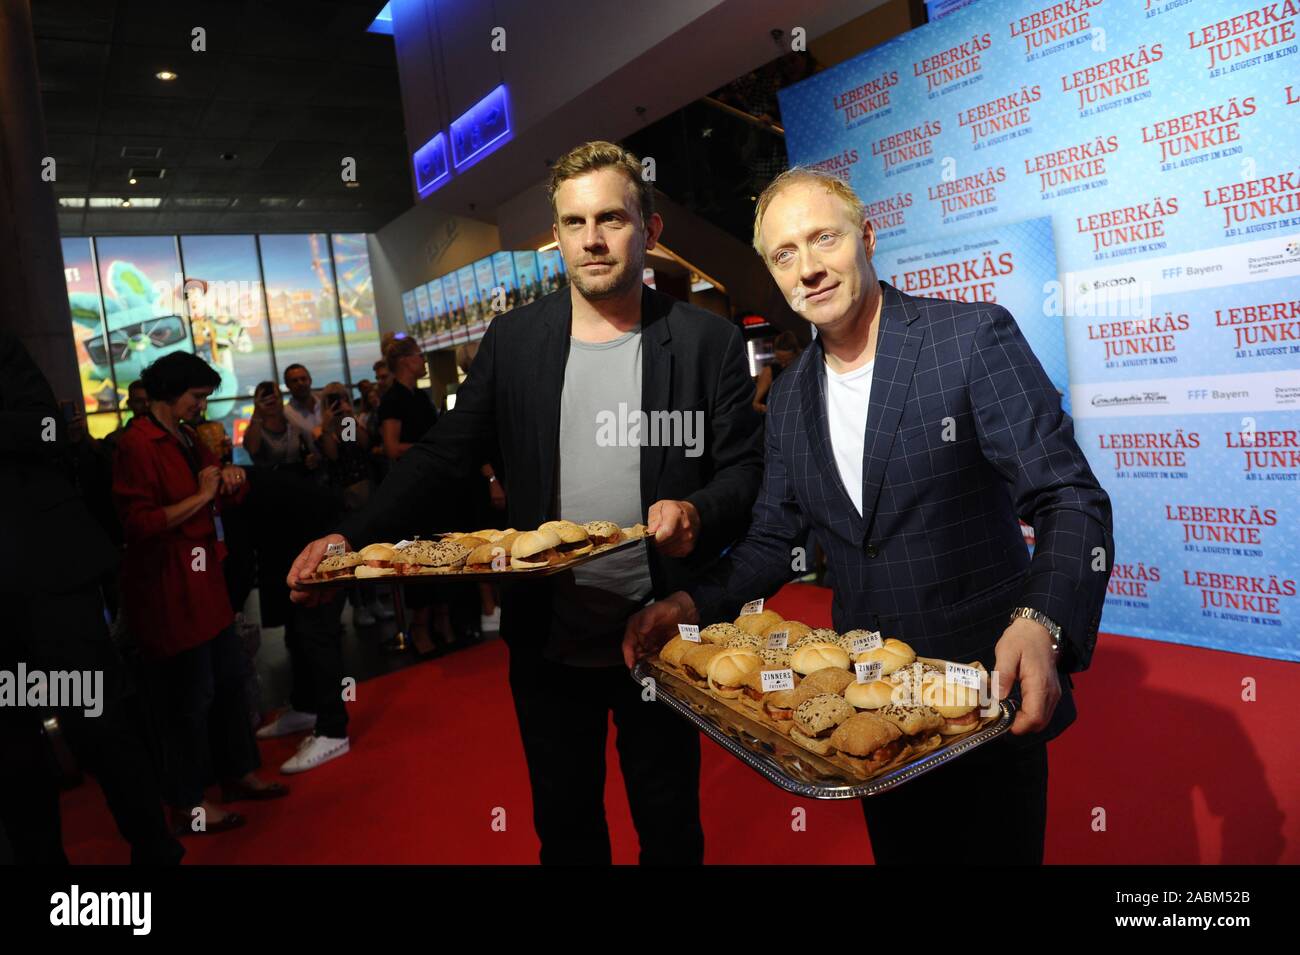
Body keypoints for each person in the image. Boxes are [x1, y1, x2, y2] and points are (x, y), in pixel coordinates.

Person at [289, 141, 764, 864]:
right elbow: (447, 454)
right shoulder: (516, 340)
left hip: (664, 637)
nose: (593, 239)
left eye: (611, 218)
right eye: (574, 223)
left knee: (670, 828)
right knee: (566, 831)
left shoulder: (705, 341)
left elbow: (741, 469)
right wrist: (349, 535)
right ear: (557, 236)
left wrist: (698, 511)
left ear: (652, 230)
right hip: (549, 643)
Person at [624, 167, 1115, 866]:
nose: (810, 267)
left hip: (982, 698)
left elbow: (1069, 496)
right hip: (869, 722)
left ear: (868, 237)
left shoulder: (969, 337)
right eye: (785, 253)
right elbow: (770, 538)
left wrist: (1041, 621)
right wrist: (687, 600)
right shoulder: (790, 397)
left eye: (823, 238)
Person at [0, 331, 182, 865]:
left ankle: (155, 849)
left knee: (94, 725)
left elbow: (50, 428)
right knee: (12, 749)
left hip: (46, 582)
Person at [113, 352, 288, 836]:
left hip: (205, 580)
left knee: (230, 681)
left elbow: (218, 487)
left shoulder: (187, 436)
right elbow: (139, 523)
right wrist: (203, 495)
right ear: (172, 394)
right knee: (187, 700)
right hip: (170, 592)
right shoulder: (137, 444)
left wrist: (231, 481)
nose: (202, 405)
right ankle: (188, 802)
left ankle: (238, 772)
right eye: (197, 396)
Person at [753, 330, 801, 413]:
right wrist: (766, 409)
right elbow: (754, 403)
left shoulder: (803, 368)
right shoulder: (769, 372)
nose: (783, 365)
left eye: (787, 361)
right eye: (779, 360)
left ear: (796, 355)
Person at [282, 363, 322, 436]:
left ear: (310, 380)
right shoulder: (286, 414)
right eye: (295, 381)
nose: (300, 383)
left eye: (303, 379)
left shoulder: (325, 404)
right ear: (287, 385)